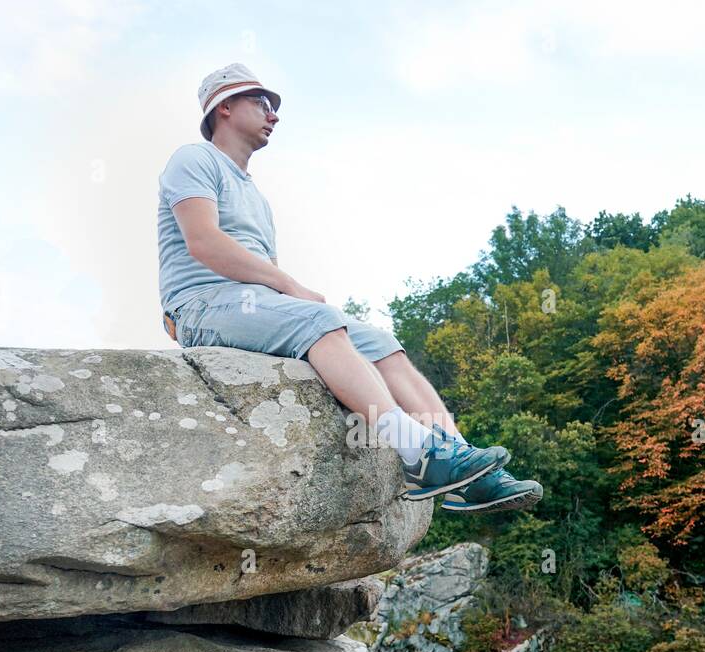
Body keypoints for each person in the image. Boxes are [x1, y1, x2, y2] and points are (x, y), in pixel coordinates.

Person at [157, 63, 542, 513]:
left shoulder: (257, 198)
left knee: (381, 343)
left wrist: (284, 290)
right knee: (319, 320)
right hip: (200, 305)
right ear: (224, 107)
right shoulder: (194, 159)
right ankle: (415, 452)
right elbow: (203, 242)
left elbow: (265, 275)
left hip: (254, 305)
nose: (273, 116)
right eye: (262, 104)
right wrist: (290, 286)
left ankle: (464, 467)